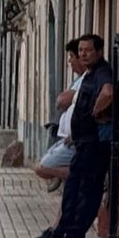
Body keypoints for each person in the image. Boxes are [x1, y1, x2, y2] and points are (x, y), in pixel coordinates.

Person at [40, 33, 114, 238]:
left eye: (88, 50)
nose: (83, 54)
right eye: (80, 50)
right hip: (83, 142)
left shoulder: (102, 71)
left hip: (95, 143)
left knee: (86, 192)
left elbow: (108, 92)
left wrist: (94, 111)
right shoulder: (90, 74)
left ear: (99, 51)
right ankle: (63, 234)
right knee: (73, 188)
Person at [33, 41, 84, 193]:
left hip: (75, 140)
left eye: (71, 56)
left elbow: (62, 101)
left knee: (42, 167)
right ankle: (65, 176)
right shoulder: (79, 79)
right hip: (67, 138)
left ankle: (78, 175)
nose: (69, 61)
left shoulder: (86, 79)